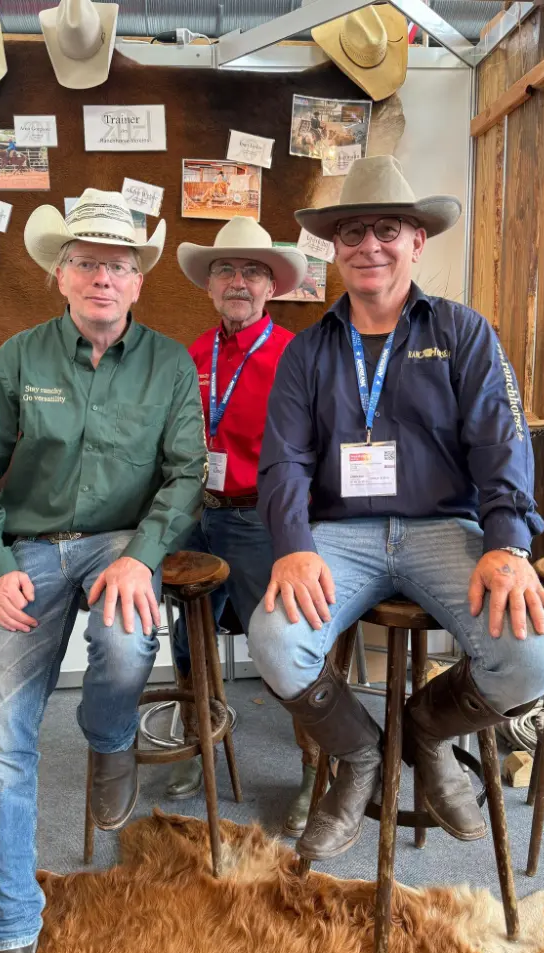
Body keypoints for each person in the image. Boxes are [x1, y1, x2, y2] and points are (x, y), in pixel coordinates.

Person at [248, 155, 544, 863]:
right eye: (352, 231)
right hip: (340, 536)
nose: (370, 245)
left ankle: (423, 729)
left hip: (445, 529)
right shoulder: (307, 352)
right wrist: (293, 545)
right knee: (273, 640)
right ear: (334, 247)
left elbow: (502, 441)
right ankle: (361, 754)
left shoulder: (464, 331)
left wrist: (508, 544)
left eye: (387, 229)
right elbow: (284, 461)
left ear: (417, 241)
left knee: (535, 654)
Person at [0, 188, 207, 953]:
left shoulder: (170, 364)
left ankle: (111, 737)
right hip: (30, 549)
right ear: (60, 276)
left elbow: (186, 475)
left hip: (120, 541)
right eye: (88, 262)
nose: (103, 278)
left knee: (127, 642)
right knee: (3, 739)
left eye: (119, 266)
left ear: (138, 282)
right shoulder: (17, 358)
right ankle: (10, 935)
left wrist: (141, 556)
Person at [171, 218, 319, 835]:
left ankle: (315, 767)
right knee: (189, 639)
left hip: (262, 518)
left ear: (272, 287)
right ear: (209, 286)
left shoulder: (294, 355)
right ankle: (198, 743)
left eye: (252, 271)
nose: (238, 281)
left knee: (286, 644)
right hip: (197, 513)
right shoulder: (192, 355)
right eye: (226, 270)